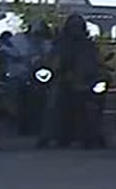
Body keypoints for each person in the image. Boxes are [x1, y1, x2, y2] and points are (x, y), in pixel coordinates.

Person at [38, 14, 101, 147]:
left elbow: (95, 63)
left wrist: (92, 75)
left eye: (78, 26)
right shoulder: (60, 43)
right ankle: (46, 136)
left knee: (95, 104)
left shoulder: (88, 45)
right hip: (62, 81)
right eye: (73, 25)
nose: (75, 29)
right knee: (52, 104)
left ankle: (96, 135)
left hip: (85, 83)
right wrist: (55, 70)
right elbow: (52, 60)